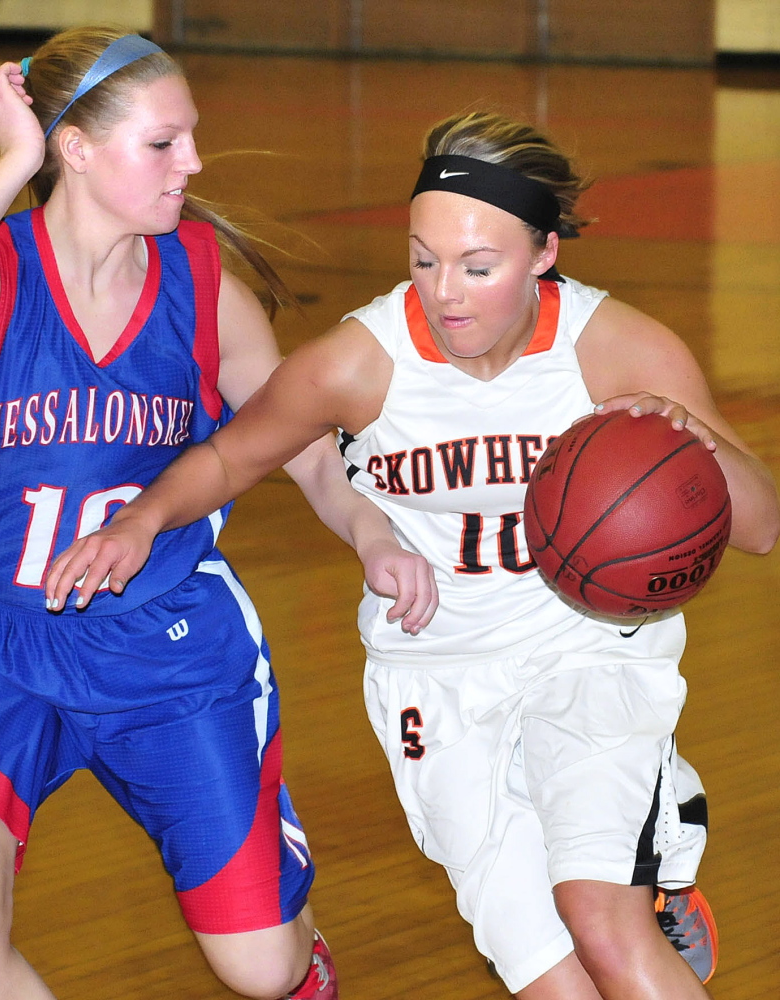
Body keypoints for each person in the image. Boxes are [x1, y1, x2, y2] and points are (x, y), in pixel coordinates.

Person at [44, 109, 780, 999]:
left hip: (586, 653)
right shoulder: (361, 362)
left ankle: (644, 867)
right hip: (435, 676)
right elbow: (232, 457)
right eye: (423, 260)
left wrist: (684, 433)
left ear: (543, 254)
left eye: (477, 266)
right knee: (546, 972)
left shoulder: (613, 348)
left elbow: (760, 525)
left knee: (601, 919)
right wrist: (140, 521)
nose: (445, 293)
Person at [0, 26, 439, 1000]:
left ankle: (300, 957)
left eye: (191, 136)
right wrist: (13, 161)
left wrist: (369, 530)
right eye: (164, 142)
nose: (194, 163)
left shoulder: (202, 286)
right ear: (75, 150)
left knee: (261, 970)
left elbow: (297, 442)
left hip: (167, 647)